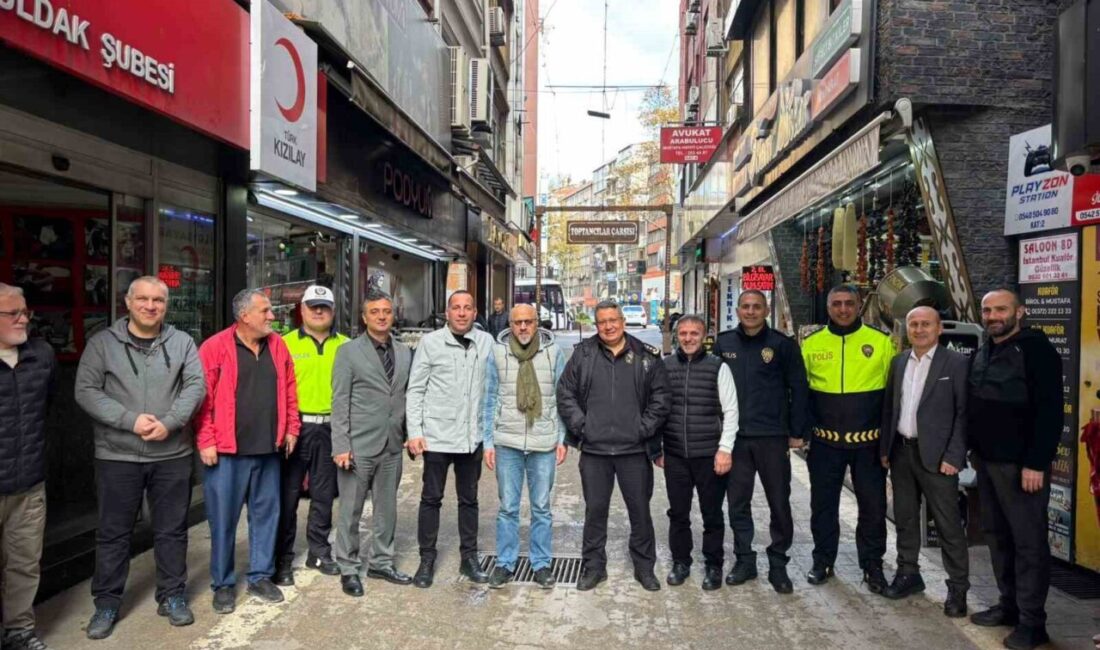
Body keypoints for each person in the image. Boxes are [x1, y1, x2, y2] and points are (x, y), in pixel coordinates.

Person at [75, 277, 206, 639]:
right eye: (143, 299)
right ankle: (107, 603)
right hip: (117, 455)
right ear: (128, 302)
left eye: (158, 301)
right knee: (113, 533)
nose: (151, 306)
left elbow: (196, 385)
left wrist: (170, 422)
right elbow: (85, 390)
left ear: (166, 305)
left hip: (172, 454)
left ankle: (173, 595)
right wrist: (129, 420)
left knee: (172, 530)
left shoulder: (181, 343)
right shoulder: (102, 344)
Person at [967, 289, 1062, 650]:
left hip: (1022, 467)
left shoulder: (1036, 349)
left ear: (1019, 312)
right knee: (997, 537)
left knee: (1028, 543)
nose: (993, 315)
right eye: (987, 310)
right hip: (988, 464)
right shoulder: (986, 347)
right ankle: (1009, 606)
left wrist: (1036, 462)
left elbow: (1051, 410)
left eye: (1000, 309)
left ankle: (1033, 623)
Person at [195, 289, 300, 614]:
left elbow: (290, 389)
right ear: (244, 316)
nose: (272, 316)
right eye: (265, 311)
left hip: (268, 449)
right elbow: (202, 398)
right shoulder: (214, 347)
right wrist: (205, 439)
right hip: (227, 452)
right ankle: (223, 584)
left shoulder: (277, 346)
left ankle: (259, 576)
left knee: (266, 515)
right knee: (223, 520)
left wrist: (291, 427)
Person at [556, 300, 669, 591]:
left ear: (622, 321)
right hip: (595, 452)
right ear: (597, 325)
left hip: (634, 452)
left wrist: (642, 429)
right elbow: (565, 392)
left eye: (613, 320)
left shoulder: (646, 355)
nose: (608, 326)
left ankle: (645, 568)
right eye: (602, 321)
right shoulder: (583, 354)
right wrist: (583, 426)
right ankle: (594, 568)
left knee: (640, 512)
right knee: (595, 511)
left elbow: (660, 398)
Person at [712, 290, 809, 594]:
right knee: (737, 503)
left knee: (779, 502)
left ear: (766, 309)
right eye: (746, 306)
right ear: (738, 310)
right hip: (736, 439)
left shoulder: (782, 345)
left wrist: (796, 432)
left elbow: (799, 389)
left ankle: (778, 563)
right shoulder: (723, 342)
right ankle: (745, 560)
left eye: (757, 306)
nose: (751, 311)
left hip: (772, 438)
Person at [800, 285, 892, 592]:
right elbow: (802, 394)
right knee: (823, 506)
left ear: (859, 305)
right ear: (828, 308)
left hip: (868, 444)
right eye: (836, 304)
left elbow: (893, 397)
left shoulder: (880, 342)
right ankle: (822, 560)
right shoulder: (812, 344)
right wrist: (802, 433)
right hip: (825, 445)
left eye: (848, 303)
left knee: (873, 508)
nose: (843, 309)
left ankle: (872, 566)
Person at [879, 306, 970, 617]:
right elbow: (891, 408)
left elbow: (964, 415)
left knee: (948, 526)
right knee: (904, 518)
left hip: (939, 458)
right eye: (913, 324)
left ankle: (958, 589)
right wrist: (885, 450)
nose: (919, 330)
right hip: (902, 453)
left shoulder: (956, 363)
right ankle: (908, 573)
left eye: (925, 324)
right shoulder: (899, 361)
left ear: (938, 328)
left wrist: (954, 457)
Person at [405, 290, 496, 587]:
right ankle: (426, 560)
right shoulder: (430, 343)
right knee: (431, 499)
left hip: (472, 438)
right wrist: (415, 432)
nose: (461, 313)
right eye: (456, 308)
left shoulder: (487, 343)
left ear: (474, 312)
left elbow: (494, 389)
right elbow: (416, 389)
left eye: (467, 308)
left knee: (469, 500)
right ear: (447, 312)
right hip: (437, 437)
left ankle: (469, 558)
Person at [331, 290, 414, 597]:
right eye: (375, 311)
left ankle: (381, 561)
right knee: (350, 511)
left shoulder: (405, 352)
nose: (382, 316)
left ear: (393, 315)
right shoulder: (348, 352)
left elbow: (407, 397)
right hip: (357, 445)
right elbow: (339, 401)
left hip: (392, 445)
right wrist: (340, 445)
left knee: (387, 510)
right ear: (364, 317)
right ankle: (349, 567)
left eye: (387, 311)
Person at [481, 304, 568, 590]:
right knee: (508, 507)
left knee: (542, 507)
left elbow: (562, 398)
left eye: (528, 322)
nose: (522, 328)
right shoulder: (497, 353)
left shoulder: (554, 353)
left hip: (544, 442)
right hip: (508, 442)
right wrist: (488, 442)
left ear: (536, 323)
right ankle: (505, 563)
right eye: (517, 322)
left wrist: (562, 438)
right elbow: (489, 398)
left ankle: (541, 563)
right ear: (510, 323)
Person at [274, 286, 349, 586]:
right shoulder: (283, 344)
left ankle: (318, 551)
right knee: (287, 497)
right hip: (296, 429)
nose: (319, 312)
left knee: (323, 495)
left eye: (325, 307)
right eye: (313, 306)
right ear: (301, 310)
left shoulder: (347, 346)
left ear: (333, 312)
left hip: (332, 428)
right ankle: (282, 559)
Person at [657, 315, 738, 591]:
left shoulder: (718, 367)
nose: (688, 338)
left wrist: (725, 450)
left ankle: (713, 565)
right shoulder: (665, 366)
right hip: (676, 455)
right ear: (677, 335)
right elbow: (658, 410)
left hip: (709, 454)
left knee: (712, 513)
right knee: (678, 513)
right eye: (683, 333)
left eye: (694, 333)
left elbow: (731, 412)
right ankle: (681, 562)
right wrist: (659, 448)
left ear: (704, 336)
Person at [0, 284, 56, 650]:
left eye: (26, 313)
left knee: (23, 562)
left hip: (29, 483)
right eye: (13, 313)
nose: (23, 319)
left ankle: (19, 631)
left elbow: (47, 408)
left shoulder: (42, 355)